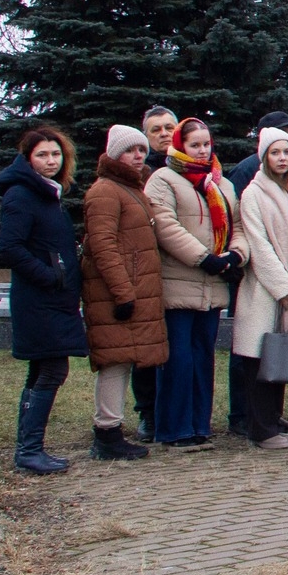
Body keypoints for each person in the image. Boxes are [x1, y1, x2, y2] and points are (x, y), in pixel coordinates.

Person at [146, 117, 243, 448]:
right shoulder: (164, 180)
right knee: (178, 358)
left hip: (213, 286)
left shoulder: (221, 184)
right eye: (194, 145)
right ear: (180, 146)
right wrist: (205, 258)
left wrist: (235, 256)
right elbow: (165, 227)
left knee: (204, 357)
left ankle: (199, 425)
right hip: (179, 281)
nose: (202, 151)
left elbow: (239, 227)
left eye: (206, 144)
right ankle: (174, 429)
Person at [0, 127, 86, 474]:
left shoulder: (48, 194)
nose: (51, 161)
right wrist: (51, 276)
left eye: (55, 154)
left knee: (41, 369)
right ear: (28, 158)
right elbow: (10, 247)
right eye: (42, 155)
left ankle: (28, 446)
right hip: (39, 299)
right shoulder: (21, 195)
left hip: (53, 299)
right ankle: (29, 449)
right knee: (51, 368)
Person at [231, 128, 288, 449]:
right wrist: (285, 289)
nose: (281, 158)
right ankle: (261, 429)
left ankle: (274, 418)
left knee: (281, 357)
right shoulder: (253, 195)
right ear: (264, 156)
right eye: (274, 153)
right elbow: (259, 246)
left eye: (286, 152)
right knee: (259, 361)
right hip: (265, 292)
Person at [79, 126, 164, 462]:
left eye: (142, 150)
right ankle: (106, 433)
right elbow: (102, 245)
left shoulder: (130, 189)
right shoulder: (105, 191)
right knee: (114, 362)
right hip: (115, 295)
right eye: (130, 150)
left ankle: (110, 430)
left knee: (123, 361)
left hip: (131, 291)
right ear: (115, 154)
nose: (138, 156)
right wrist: (122, 293)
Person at [220, 109, 288, 437]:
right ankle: (243, 414)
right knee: (248, 348)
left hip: (284, 275)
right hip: (254, 275)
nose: (283, 150)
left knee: (274, 346)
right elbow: (238, 222)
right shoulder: (248, 173)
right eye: (279, 135)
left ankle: (270, 414)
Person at [129, 104, 181, 438]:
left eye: (168, 127)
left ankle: (176, 409)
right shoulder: (137, 172)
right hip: (149, 271)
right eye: (155, 130)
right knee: (147, 347)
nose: (163, 134)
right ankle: (147, 411)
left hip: (184, 272)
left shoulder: (192, 166)